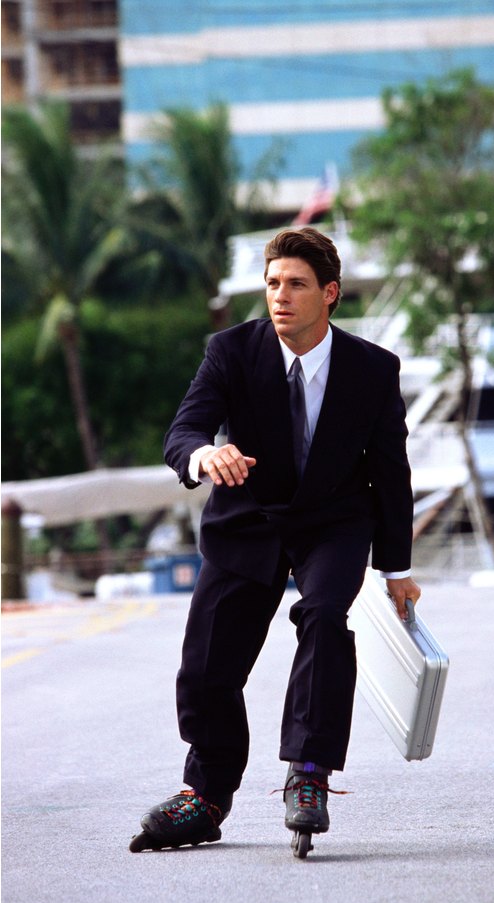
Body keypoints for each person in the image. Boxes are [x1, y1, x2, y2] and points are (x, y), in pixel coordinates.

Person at [129, 227, 421, 852]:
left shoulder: (373, 370)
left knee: (321, 617)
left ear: (330, 294)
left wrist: (396, 570)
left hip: (334, 523)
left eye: (295, 284)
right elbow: (184, 431)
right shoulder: (230, 352)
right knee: (206, 669)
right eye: (272, 284)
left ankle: (309, 775)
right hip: (247, 520)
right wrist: (206, 455)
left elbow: (392, 474)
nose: (279, 296)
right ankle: (205, 797)